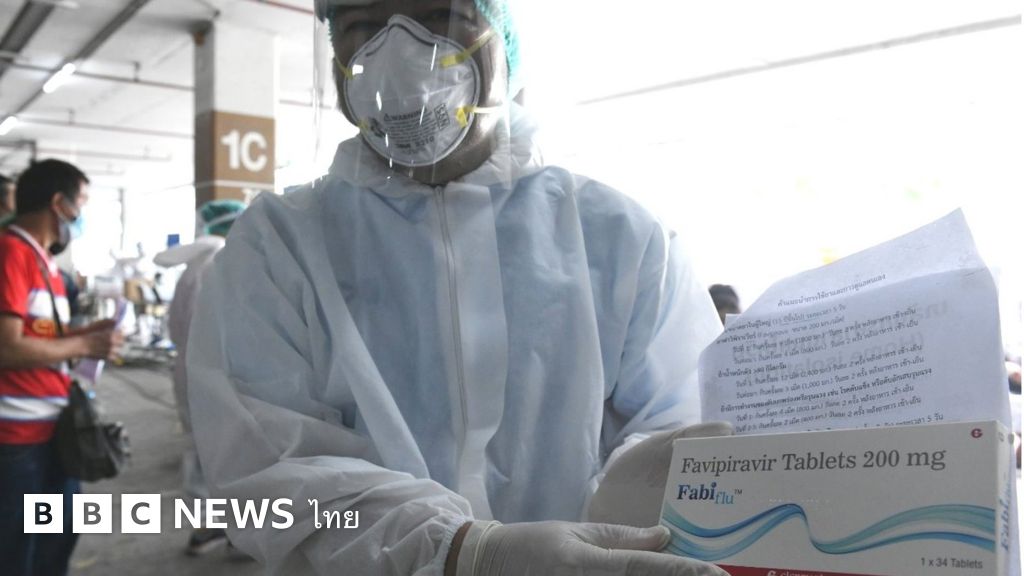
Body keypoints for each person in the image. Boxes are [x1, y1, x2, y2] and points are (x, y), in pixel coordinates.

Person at [187, 2, 727, 575]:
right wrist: (460, 553)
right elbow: (263, 467)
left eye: (437, 16)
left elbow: (683, 426)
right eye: (363, 27)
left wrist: (627, 518)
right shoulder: (280, 245)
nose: (400, 54)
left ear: (504, 40)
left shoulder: (621, 236)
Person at [0, 159, 123, 576]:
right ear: (59, 203)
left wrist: (86, 333)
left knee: (57, 543)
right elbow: (7, 348)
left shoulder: (46, 264)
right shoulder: (11, 252)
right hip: (17, 439)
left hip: (53, 429)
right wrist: (85, 344)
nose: (81, 214)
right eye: (81, 203)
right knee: (17, 552)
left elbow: (40, 334)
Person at [153, 199, 247, 555]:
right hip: (217, 372)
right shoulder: (223, 260)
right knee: (235, 451)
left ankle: (209, 527)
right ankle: (235, 533)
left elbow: (177, 326)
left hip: (191, 369)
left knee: (202, 450)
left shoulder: (195, 265)